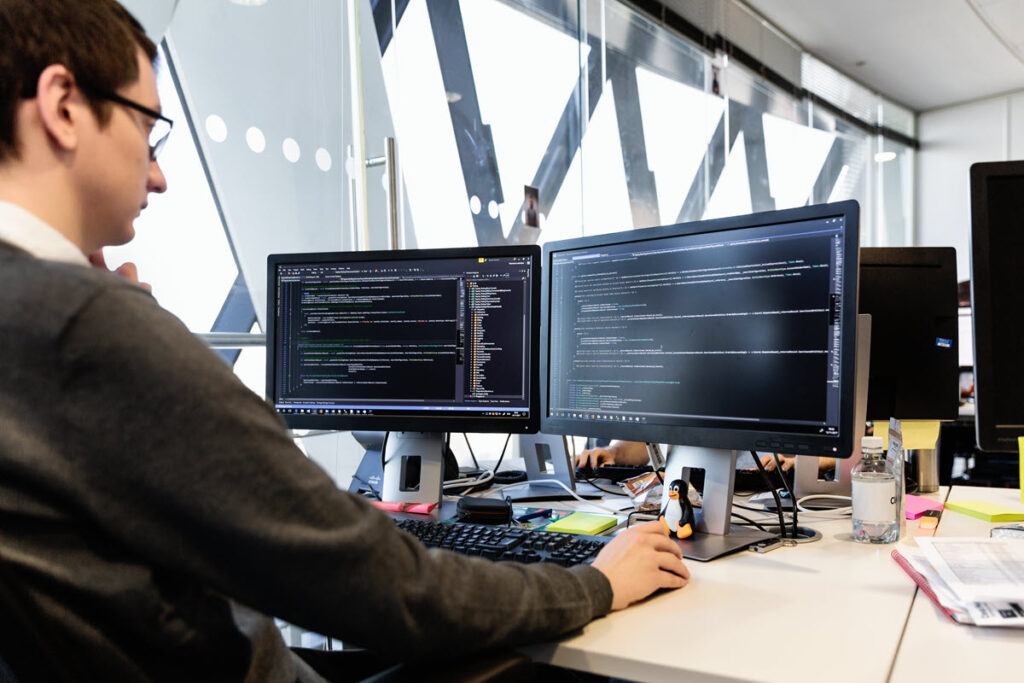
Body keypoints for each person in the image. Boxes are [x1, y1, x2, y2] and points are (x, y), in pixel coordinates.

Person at [0, 2, 689, 681]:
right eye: (150, 130)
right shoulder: (87, 330)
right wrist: (598, 582)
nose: (159, 173)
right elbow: (388, 592)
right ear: (63, 105)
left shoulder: (45, 319)